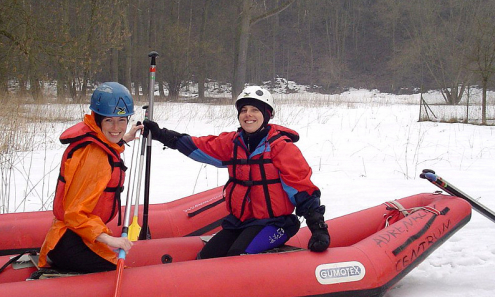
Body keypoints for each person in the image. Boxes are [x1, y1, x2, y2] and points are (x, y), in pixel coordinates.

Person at [143, 85, 330, 259]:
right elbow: (198, 146)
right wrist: (161, 134)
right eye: (243, 110)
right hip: (239, 222)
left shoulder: (281, 148)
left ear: (267, 114)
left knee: (237, 256)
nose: (248, 115)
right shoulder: (232, 143)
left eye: (255, 110)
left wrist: (318, 229)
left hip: (275, 224)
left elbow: (303, 190)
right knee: (206, 257)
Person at [38, 82, 143, 273]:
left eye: (121, 120)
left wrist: (125, 137)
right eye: (109, 121)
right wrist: (110, 239)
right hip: (69, 241)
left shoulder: (97, 139)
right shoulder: (95, 159)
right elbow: (74, 213)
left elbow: (108, 139)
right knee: (118, 272)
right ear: (98, 120)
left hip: (79, 234)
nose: (116, 127)